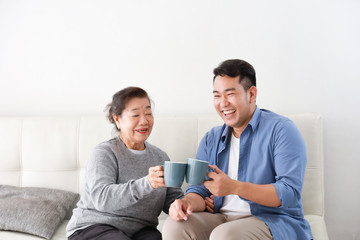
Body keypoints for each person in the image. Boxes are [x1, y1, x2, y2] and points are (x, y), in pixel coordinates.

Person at [162, 59, 313, 239]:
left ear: (252, 94)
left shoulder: (281, 130)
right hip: (221, 218)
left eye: (230, 94)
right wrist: (185, 203)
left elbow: (289, 193)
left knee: (225, 235)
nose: (223, 103)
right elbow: (199, 190)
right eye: (217, 96)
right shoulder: (212, 138)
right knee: (175, 226)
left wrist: (234, 187)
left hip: (271, 220)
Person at [66, 86, 184, 240]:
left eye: (148, 113)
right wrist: (147, 183)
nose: (144, 121)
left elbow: (172, 199)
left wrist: (184, 205)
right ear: (117, 119)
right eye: (135, 115)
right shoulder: (104, 153)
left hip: (140, 230)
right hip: (93, 227)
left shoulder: (160, 157)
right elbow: (102, 199)